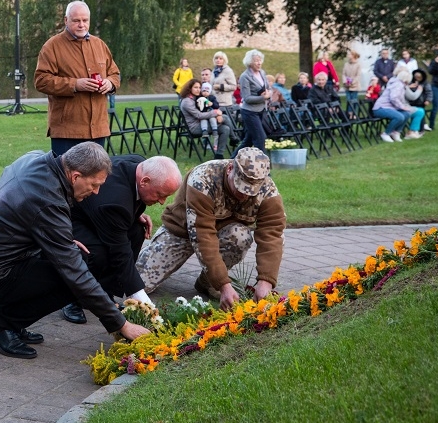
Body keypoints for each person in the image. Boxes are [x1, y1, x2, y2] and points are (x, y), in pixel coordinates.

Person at [0, 143, 151, 359]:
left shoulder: (37, 160)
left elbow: (25, 214)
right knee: (72, 277)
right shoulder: (47, 199)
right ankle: (1, 325)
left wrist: (62, 238)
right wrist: (121, 324)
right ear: (76, 176)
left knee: (76, 258)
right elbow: (76, 274)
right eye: (93, 185)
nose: (96, 192)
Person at [135, 148, 284, 309]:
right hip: (182, 231)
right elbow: (202, 235)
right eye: (240, 187)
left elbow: (272, 235)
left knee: (240, 236)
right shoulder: (203, 177)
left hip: (224, 233)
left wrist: (266, 281)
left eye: (250, 192)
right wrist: (224, 285)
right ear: (230, 169)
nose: (245, 195)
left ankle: (208, 282)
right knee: (138, 284)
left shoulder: (268, 192)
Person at [62, 154, 183, 324]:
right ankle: (72, 298)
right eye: (160, 194)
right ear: (145, 181)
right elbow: (121, 253)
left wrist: (133, 214)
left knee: (136, 230)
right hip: (72, 218)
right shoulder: (115, 203)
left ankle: (104, 292)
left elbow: (126, 200)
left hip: (100, 212)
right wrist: (147, 305)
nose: (162, 202)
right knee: (97, 252)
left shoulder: (139, 164)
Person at [33, 1, 119, 155]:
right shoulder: (52, 46)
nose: (81, 25)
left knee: (95, 177)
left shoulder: (99, 45)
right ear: (66, 20)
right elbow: (41, 80)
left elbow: (115, 73)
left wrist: (110, 83)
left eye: (85, 20)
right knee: (66, 177)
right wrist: (75, 84)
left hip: (98, 129)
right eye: (76, 20)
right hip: (67, 131)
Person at [180, 79, 231, 159]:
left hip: (205, 123)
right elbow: (199, 115)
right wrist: (215, 113)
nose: (198, 89)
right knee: (225, 117)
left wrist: (216, 114)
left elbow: (207, 108)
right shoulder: (187, 101)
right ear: (189, 88)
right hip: (195, 128)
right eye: (195, 87)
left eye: (199, 87)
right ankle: (234, 137)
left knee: (225, 129)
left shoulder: (196, 98)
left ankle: (219, 155)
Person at [233, 49, 270, 158]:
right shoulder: (245, 76)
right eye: (256, 61)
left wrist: (268, 92)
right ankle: (263, 169)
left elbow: (267, 87)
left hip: (261, 110)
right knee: (260, 139)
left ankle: (229, 162)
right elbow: (246, 98)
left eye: (260, 60)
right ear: (250, 62)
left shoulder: (262, 72)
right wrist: (262, 98)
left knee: (248, 141)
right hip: (249, 112)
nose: (259, 63)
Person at [373, 68, 424, 141]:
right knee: (399, 117)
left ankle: (396, 132)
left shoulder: (401, 84)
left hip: (390, 107)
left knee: (407, 114)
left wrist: (404, 107)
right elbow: (393, 98)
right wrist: (402, 107)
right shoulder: (397, 85)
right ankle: (386, 133)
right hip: (381, 108)